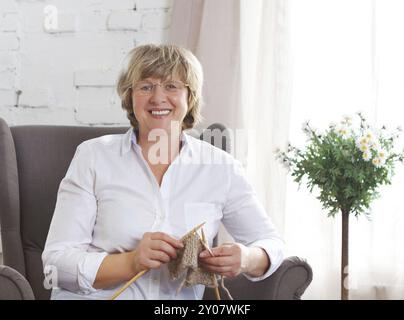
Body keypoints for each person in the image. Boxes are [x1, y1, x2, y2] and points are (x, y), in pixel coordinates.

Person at [42, 44, 284, 300]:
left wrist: (246, 258)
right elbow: (55, 265)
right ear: (129, 96)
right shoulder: (92, 157)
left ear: (189, 97)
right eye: (146, 86)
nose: (158, 98)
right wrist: (132, 261)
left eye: (171, 86)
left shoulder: (221, 167)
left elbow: (271, 243)